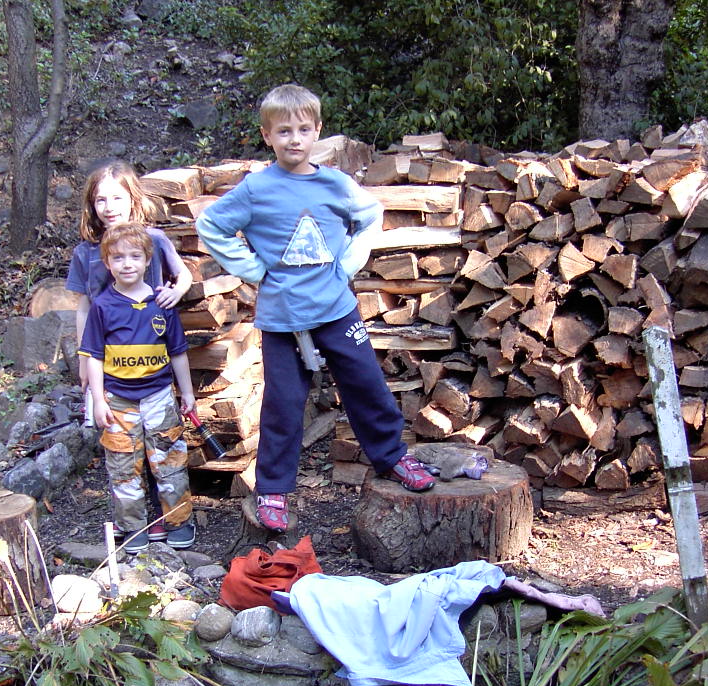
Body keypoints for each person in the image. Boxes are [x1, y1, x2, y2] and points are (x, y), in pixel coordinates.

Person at [196, 83, 434, 532]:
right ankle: (273, 487)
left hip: (336, 308)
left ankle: (392, 457)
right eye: (284, 131)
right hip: (282, 316)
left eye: (303, 130)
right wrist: (253, 269)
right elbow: (211, 225)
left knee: (366, 384)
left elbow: (370, 216)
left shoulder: (335, 184)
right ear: (267, 135)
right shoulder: (257, 189)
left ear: (318, 131)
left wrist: (347, 264)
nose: (294, 139)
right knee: (284, 403)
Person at [79, 224, 196, 554]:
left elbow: (178, 352)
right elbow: (94, 356)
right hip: (118, 400)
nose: (127, 264)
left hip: (158, 396)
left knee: (169, 460)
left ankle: (179, 521)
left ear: (147, 260)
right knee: (122, 466)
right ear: (107, 263)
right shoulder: (102, 306)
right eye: (118, 258)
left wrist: (187, 393)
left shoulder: (163, 303)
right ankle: (132, 526)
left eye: (134, 256)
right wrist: (98, 399)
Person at [66, 161, 194, 400]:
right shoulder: (85, 252)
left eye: (117, 198)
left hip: (150, 352)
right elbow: (83, 309)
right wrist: (84, 358)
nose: (109, 207)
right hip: (107, 354)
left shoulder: (154, 240)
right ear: (92, 205)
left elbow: (184, 275)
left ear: (133, 200)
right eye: (101, 200)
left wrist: (176, 293)